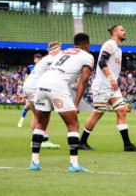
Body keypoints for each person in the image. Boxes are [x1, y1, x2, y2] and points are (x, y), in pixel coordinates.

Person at [30, 33, 94, 172]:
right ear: (87, 45)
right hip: (58, 85)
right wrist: (76, 103)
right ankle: (74, 164)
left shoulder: (63, 52)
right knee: (73, 124)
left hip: (41, 83)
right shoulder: (88, 56)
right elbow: (84, 80)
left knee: (41, 123)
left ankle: (34, 162)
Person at [79, 25, 136, 152]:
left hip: (111, 86)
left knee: (121, 111)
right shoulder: (111, 44)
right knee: (98, 112)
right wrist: (111, 78)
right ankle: (82, 142)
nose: (124, 32)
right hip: (103, 83)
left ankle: (127, 144)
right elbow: (102, 61)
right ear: (114, 33)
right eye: (121, 30)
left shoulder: (118, 49)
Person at [21, 43, 62, 149]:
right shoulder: (51, 59)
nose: (61, 50)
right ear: (54, 50)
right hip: (34, 88)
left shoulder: (46, 59)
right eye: (59, 48)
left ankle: (34, 140)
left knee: (37, 115)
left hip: (28, 87)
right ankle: (44, 140)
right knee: (44, 114)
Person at [18, 53, 42, 128]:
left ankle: (39, 123)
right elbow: (26, 78)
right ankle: (22, 119)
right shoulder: (30, 68)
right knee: (28, 105)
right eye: (36, 59)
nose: (38, 60)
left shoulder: (43, 68)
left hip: (39, 89)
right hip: (31, 89)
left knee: (38, 107)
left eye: (39, 59)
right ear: (34, 60)